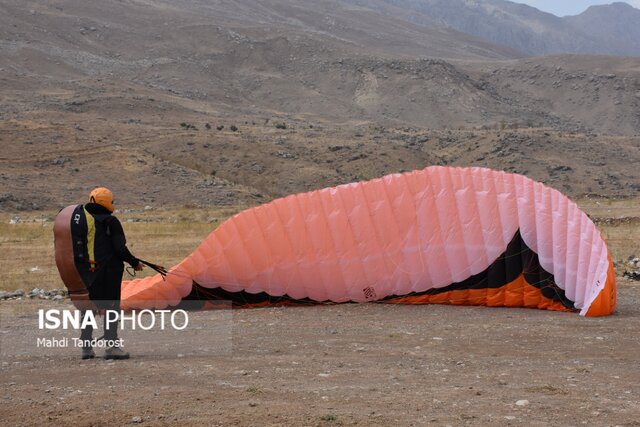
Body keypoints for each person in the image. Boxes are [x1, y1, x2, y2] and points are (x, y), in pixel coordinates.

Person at [79, 187, 143, 360]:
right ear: (106, 202)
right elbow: (119, 248)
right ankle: (111, 347)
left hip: (87, 272)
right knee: (112, 308)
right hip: (109, 272)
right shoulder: (111, 221)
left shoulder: (83, 221)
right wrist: (134, 262)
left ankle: (86, 347)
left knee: (88, 308)